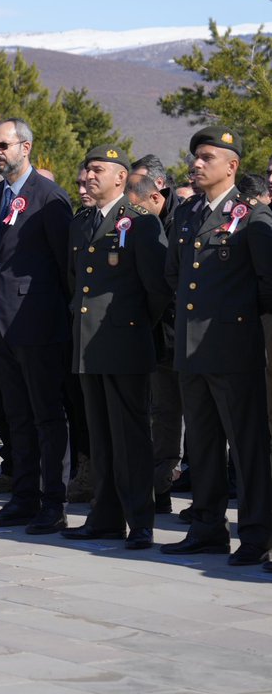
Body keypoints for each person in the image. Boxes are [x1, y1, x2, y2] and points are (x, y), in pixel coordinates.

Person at [161, 127, 272, 567]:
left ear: (232, 165)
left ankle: (257, 533)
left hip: (233, 347)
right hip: (191, 348)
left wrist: (234, 318)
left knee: (246, 446)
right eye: (195, 156)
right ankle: (207, 528)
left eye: (208, 156)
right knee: (203, 444)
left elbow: (267, 283)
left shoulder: (251, 216)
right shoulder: (187, 213)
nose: (197, 163)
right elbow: (173, 273)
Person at [62, 145, 171, 550]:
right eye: (86, 169)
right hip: (88, 346)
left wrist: (134, 327)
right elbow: (75, 283)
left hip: (125, 342)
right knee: (101, 435)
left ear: (120, 177)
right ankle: (105, 516)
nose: (88, 176)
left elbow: (157, 289)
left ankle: (140, 520)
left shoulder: (140, 223)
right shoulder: (82, 222)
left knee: (131, 437)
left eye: (97, 170)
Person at [0, 118, 74, 534]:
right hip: (1, 325)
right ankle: (23, 496)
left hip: (39, 324)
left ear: (26, 147)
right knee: (15, 416)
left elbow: (64, 266)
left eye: (4, 145)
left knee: (47, 417)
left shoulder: (49, 197)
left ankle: (54, 502)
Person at [126, 170, 184, 512]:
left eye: (138, 209)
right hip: (160, 337)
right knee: (163, 413)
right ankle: (161, 489)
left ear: (155, 198)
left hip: (184, 335)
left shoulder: (181, 220)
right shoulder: (151, 221)